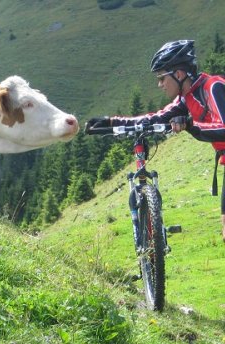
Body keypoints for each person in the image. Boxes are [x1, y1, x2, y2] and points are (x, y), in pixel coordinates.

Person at [86, 39, 225, 240]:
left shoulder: (213, 87)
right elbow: (155, 118)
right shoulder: (186, 98)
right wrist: (111, 122)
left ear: (179, 74)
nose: (159, 85)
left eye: (161, 78)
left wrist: (190, 125)